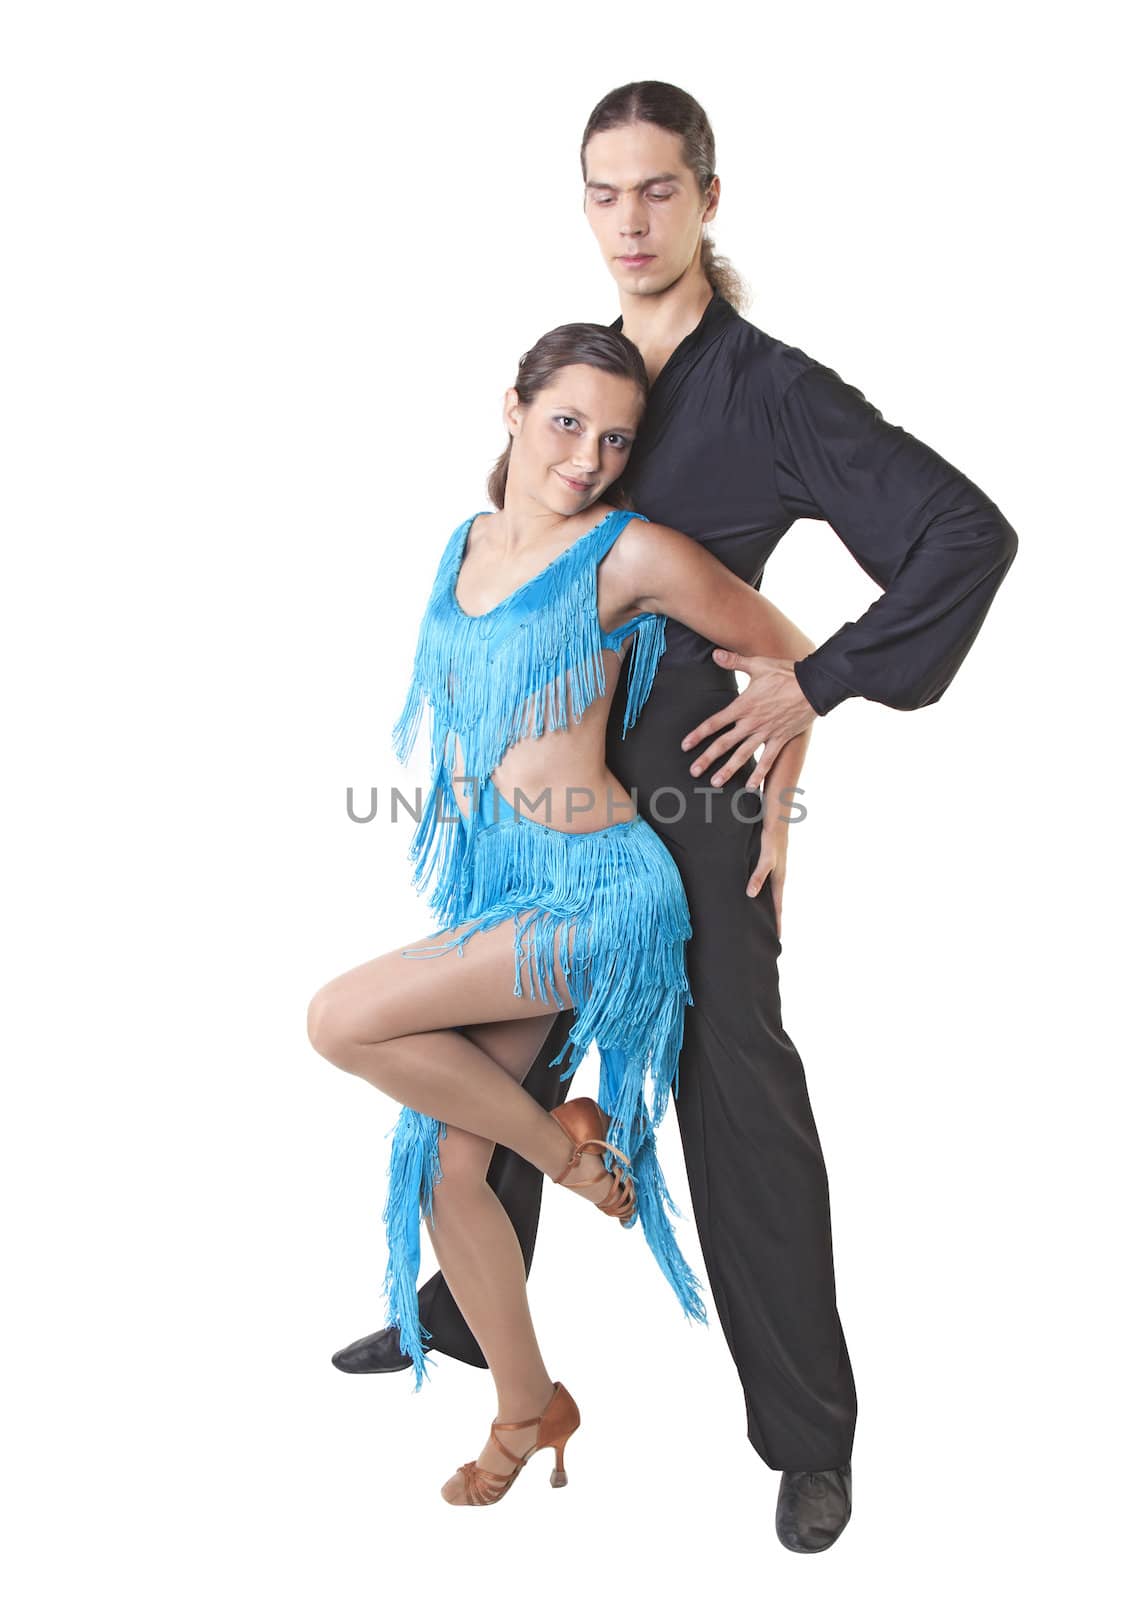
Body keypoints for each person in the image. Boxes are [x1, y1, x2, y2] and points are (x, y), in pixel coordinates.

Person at [330, 82, 1019, 1549]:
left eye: (657, 191)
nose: (630, 222)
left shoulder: (772, 391)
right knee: (470, 1053)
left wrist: (809, 696)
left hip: (694, 811)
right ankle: (461, 1311)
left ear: (707, 195)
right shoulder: (582, 383)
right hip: (550, 809)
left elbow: (963, 534)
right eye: (603, 193)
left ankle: (808, 1437)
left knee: (732, 1093)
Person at [307, 320, 819, 1505]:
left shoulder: (627, 551)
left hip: (595, 895)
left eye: (614, 437)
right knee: (446, 1174)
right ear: (514, 407)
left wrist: (778, 817)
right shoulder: (467, 541)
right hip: (504, 887)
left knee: (341, 1020)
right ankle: (530, 1406)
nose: (587, 456)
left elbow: (792, 658)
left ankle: (573, 1154)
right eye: (566, 424)